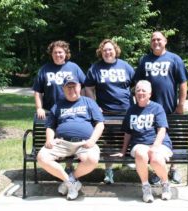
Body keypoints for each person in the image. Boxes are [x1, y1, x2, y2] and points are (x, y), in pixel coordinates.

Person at [134, 31, 188, 184]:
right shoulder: (144, 60)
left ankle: (173, 169)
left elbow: (183, 83)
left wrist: (181, 104)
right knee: (153, 140)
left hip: (169, 108)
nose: (156, 42)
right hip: (149, 110)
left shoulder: (174, 59)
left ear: (165, 41)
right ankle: (157, 172)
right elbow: (138, 82)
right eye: (153, 40)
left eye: (159, 39)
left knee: (174, 139)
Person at [37, 75, 104, 200]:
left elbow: (100, 124)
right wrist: (49, 139)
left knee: (92, 159)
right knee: (42, 158)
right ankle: (71, 183)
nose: (71, 89)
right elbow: (50, 126)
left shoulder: (89, 102)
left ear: (79, 87)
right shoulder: (58, 105)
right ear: (63, 88)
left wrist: (92, 140)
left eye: (74, 86)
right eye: (68, 86)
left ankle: (69, 181)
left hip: (84, 143)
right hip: (62, 142)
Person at [112, 80, 173, 203]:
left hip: (159, 143)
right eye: (138, 90)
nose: (140, 93)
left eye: (143, 90)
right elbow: (128, 133)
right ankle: (146, 187)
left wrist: (155, 146)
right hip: (139, 144)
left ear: (150, 93)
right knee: (140, 153)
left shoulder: (157, 108)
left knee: (155, 157)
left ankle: (165, 184)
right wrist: (123, 151)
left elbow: (162, 130)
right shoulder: (131, 110)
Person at [84, 39, 135, 184]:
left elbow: (135, 84)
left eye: (110, 49)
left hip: (126, 110)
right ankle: (109, 170)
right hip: (105, 111)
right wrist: (94, 105)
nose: (107, 52)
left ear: (115, 50)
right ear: (101, 52)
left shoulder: (125, 66)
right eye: (105, 50)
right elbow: (88, 87)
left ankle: (126, 160)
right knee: (109, 141)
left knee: (127, 136)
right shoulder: (95, 68)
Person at [33, 40, 86, 174]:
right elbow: (38, 91)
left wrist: (86, 104)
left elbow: (84, 87)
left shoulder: (73, 67)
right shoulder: (44, 69)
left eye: (60, 52)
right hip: (52, 110)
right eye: (55, 52)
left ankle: (69, 167)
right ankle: (57, 168)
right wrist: (39, 108)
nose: (58, 55)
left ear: (66, 53)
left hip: (71, 110)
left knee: (68, 136)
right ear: (51, 54)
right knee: (56, 141)